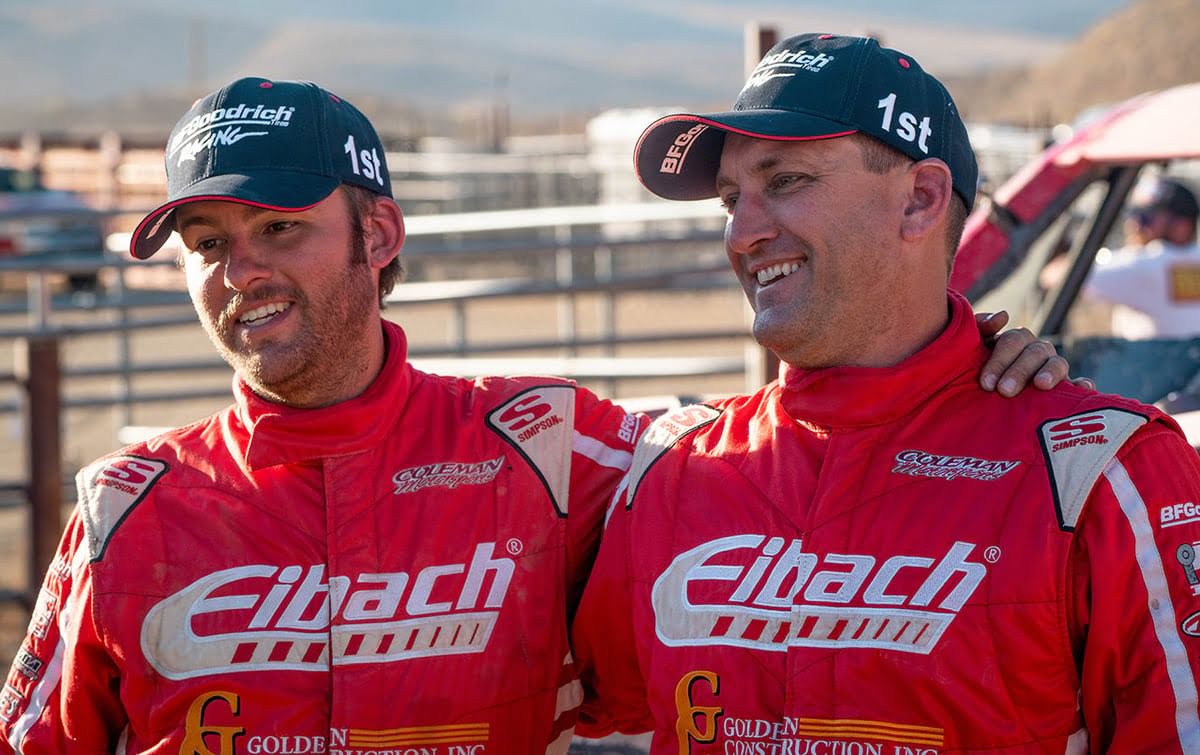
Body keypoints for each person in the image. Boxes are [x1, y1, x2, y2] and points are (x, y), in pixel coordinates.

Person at [0, 77, 1073, 754]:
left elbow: (806, 439)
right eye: (206, 245)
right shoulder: (128, 505)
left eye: (279, 226)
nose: (241, 270)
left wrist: (970, 363)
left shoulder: (551, 448)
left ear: (379, 233)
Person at [571, 33, 1200, 753]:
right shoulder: (673, 468)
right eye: (729, 200)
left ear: (921, 200)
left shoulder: (1107, 472)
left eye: (785, 182)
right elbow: (528, 687)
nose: (741, 234)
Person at [1075, 176, 1200, 339]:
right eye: (1133, 215)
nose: (1133, 226)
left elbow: (1061, 278)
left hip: (1150, 363)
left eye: (1145, 218)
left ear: (1182, 225)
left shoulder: (1148, 264)